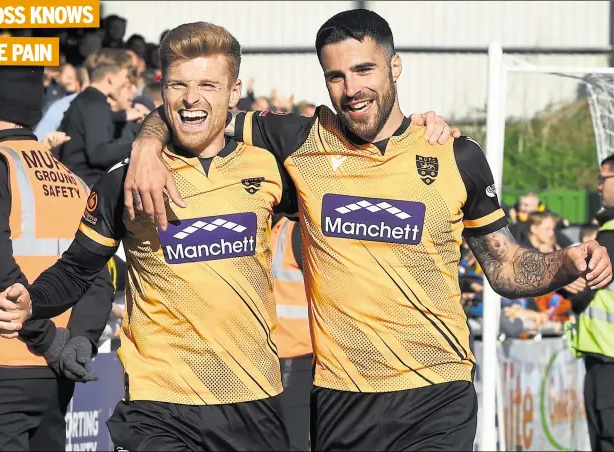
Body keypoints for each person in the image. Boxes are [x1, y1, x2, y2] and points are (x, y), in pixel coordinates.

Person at [122, 10, 612, 451]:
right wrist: (146, 145)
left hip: (436, 394)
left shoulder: (455, 154)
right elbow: (195, 109)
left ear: (394, 67)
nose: (351, 88)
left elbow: (506, 267)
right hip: (341, 399)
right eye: (335, 76)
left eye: (364, 70)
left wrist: (564, 261)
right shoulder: (300, 141)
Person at [0, 21, 457, 452]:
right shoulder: (126, 181)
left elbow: (366, 167)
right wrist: (33, 301)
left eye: (208, 85)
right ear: (162, 90)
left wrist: (418, 131)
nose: (192, 99)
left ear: (234, 92)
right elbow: (78, 270)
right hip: (160, 407)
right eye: (178, 85)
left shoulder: (273, 167)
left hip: (254, 404)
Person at [0, 66, 113, 450]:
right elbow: (96, 274)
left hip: (2, 364)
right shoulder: (73, 180)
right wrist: (80, 342)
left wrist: (49, 341)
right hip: (54, 375)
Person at [565, 155, 614, 452]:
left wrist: (561, 280)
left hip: (608, 359)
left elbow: (585, 290)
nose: (598, 185)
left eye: (604, 177)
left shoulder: (610, 234)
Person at [57, 48, 147, 187]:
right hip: (86, 185)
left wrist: (123, 116)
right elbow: (99, 153)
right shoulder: (95, 104)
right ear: (111, 78)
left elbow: (95, 122)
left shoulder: (86, 100)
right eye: (124, 77)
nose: (125, 82)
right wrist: (139, 145)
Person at [270, 214, 313, 451]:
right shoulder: (271, 232)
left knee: (295, 437)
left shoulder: (293, 233)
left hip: (296, 355)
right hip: (272, 356)